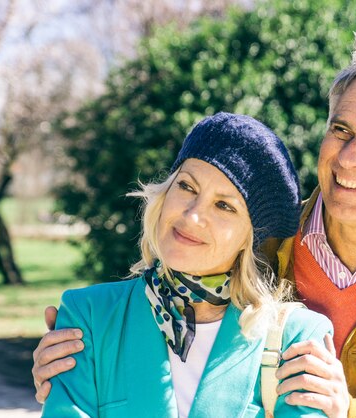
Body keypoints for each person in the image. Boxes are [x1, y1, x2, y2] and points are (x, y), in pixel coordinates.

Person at [33, 33, 356, 417]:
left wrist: (354, 411)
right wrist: (76, 366)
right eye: (340, 129)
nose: (349, 158)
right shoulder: (259, 237)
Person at [39, 112, 339, 418]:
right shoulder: (90, 316)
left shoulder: (297, 339)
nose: (192, 215)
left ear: (248, 239)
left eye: (224, 205)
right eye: (187, 187)